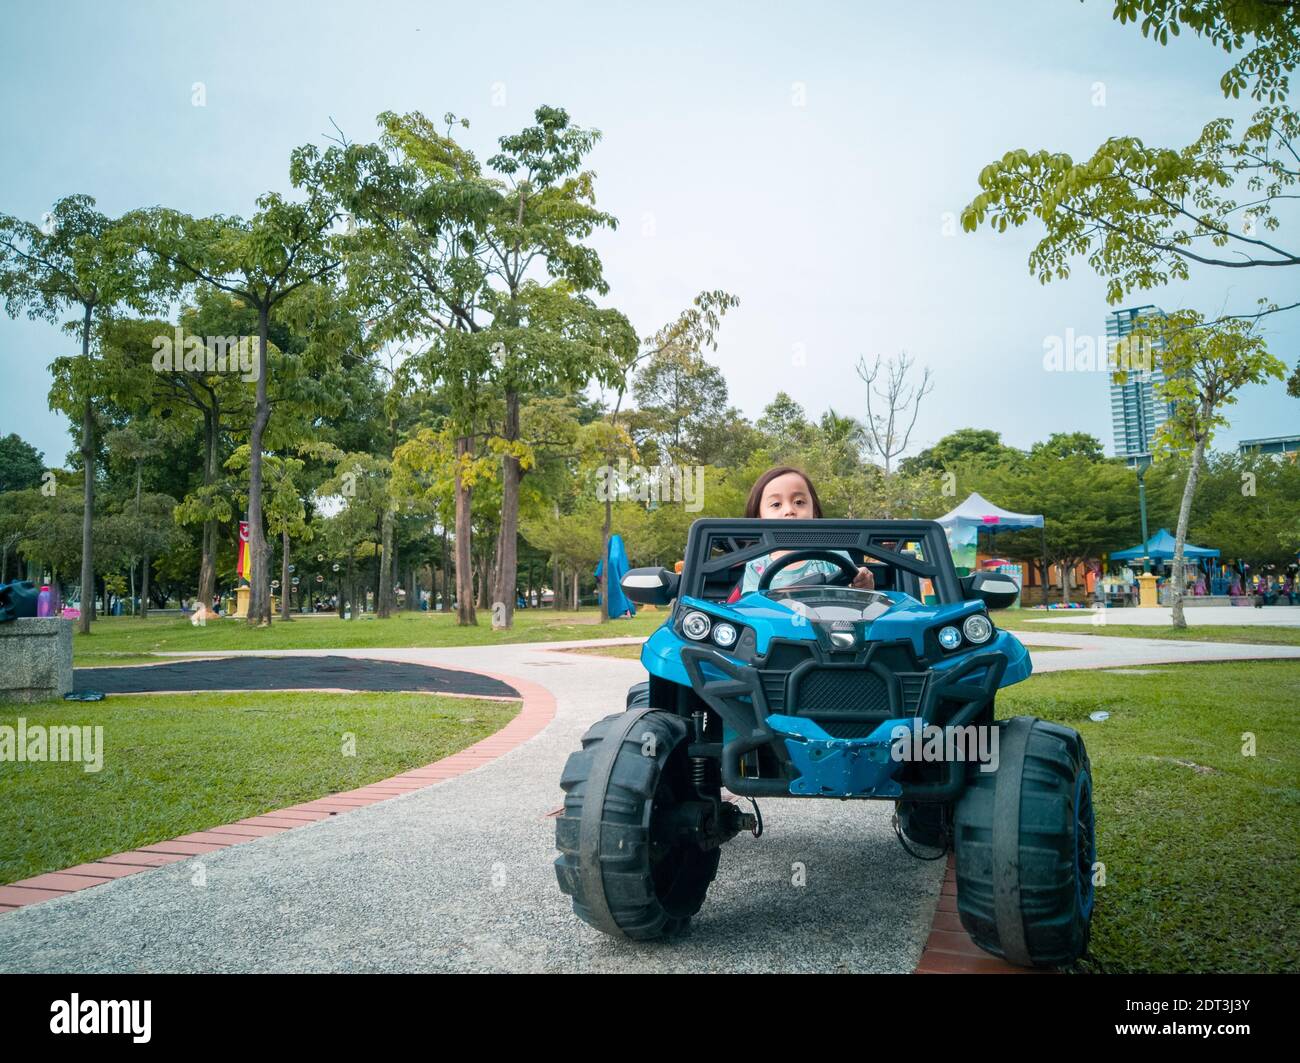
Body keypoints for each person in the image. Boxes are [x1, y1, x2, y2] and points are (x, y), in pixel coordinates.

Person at [726, 466, 874, 602]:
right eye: (776, 504)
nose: (789, 510)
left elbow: (855, 601)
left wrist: (863, 585)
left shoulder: (834, 555)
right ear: (759, 516)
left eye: (799, 502)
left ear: (814, 510)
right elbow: (751, 609)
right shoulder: (757, 564)